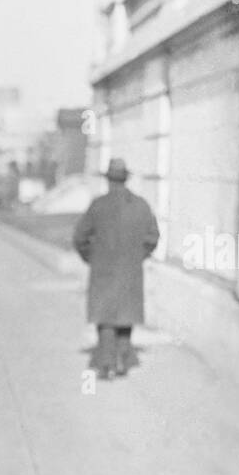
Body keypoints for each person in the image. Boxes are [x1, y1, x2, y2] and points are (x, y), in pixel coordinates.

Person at [73, 157, 160, 378]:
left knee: (106, 316)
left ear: (109, 180)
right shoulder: (141, 205)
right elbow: (153, 237)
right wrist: (138, 256)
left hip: (103, 270)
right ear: (125, 179)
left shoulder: (98, 205)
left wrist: (90, 256)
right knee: (125, 314)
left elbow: (79, 237)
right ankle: (123, 359)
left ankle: (107, 362)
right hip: (130, 270)